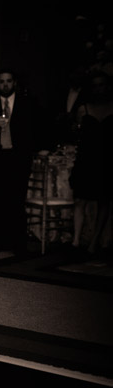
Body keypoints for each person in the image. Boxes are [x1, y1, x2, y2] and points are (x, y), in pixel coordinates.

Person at [0, 69, 40, 253]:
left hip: (19, 158)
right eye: (1, 81)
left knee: (16, 199)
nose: (5, 85)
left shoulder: (27, 103)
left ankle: (18, 242)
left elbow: (35, 129)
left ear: (14, 83)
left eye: (8, 81)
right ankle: (0, 240)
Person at [71, 70, 113, 253]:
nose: (98, 88)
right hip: (87, 158)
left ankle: (96, 239)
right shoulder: (84, 108)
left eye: (102, 84)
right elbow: (76, 132)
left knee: (104, 199)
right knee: (80, 199)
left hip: (108, 158)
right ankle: (76, 240)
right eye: (95, 85)